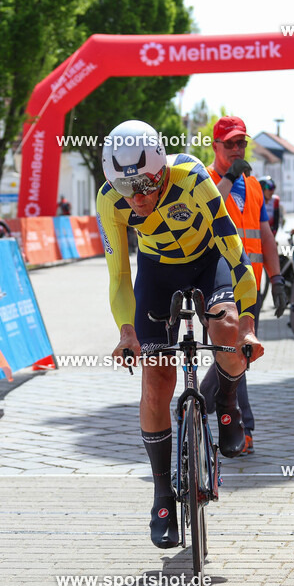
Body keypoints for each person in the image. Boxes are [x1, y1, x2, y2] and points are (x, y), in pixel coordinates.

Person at [97, 119, 262, 549]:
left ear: (161, 170)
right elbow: (118, 277)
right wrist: (127, 332)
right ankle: (162, 495)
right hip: (156, 274)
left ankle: (227, 401)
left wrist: (247, 323)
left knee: (224, 331)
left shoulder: (191, 175)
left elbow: (235, 252)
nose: (139, 199)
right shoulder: (110, 200)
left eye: (148, 186)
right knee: (156, 379)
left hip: (209, 262)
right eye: (128, 190)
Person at [197, 116, 285, 453]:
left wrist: (276, 278)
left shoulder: (254, 186)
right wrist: (230, 177)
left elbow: (265, 235)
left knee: (237, 355)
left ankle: (196, 405)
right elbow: (208, 211)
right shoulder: (202, 178)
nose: (237, 149)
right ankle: (243, 427)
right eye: (229, 143)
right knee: (237, 353)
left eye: (241, 143)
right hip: (215, 281)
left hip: (251, 285)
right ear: (216, 146)